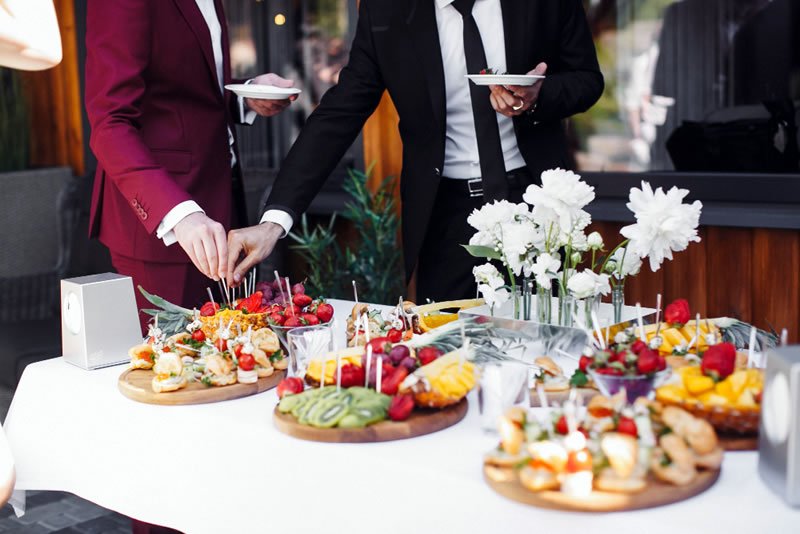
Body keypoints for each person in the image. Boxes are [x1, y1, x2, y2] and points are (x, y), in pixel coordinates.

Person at [227, 0, 603, 302]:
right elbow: (338, 114)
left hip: (534, 197)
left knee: (548, 340)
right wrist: (274, 221)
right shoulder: (386, 10)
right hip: (446, 215)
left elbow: (587, 79)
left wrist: (539, 97)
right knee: (448, 354)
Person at [85, 0, 295, 329]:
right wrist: (180, 215)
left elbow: (183, 93)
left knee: (228, 361)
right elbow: (110, 124)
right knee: (170, 369)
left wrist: (246, 96)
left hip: (223, 213)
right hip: (166, 228)